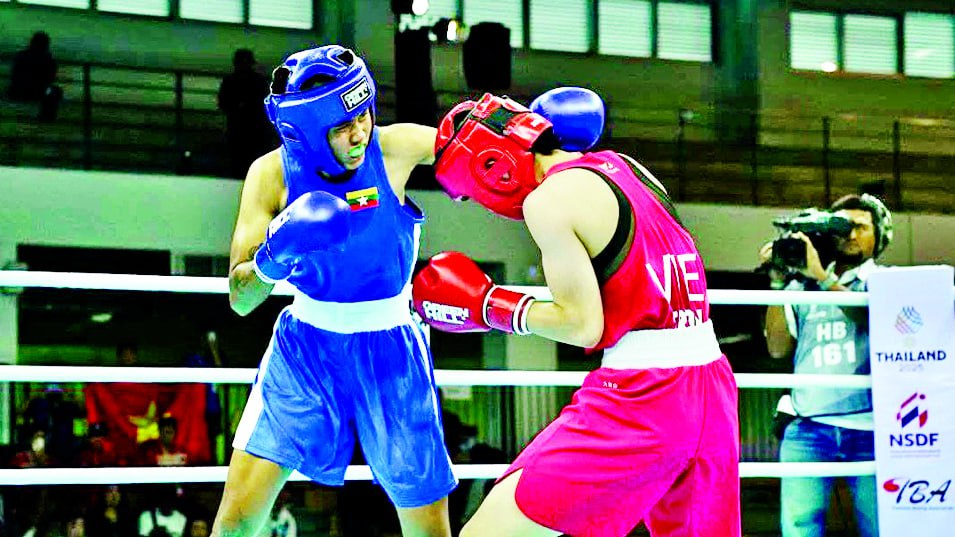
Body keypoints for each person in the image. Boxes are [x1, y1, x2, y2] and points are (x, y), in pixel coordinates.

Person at [412, 87, 741, 537]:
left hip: (643, 397)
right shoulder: (630, 167)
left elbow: (583, 325)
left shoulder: (548, 201)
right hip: (712, 384)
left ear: (492, 168)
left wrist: (491, 306)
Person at [214, 45, 456, 537]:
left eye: (363, 114)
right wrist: (273, 255)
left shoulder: (395, 147)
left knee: (428, 531)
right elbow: (241, 300)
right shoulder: (271, 175)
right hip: (305, 350)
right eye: (342, 126)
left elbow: (481, 152)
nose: (360, 132)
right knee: (236, 523)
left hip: (392, 351)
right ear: (303, 135)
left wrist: (542, 142)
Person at [759, 193, 892, 537]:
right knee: (799, 529)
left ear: (881, 236)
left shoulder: (884, 280)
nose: (850, 234)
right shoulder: (802, 284)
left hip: (871, 426)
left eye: (860, 227)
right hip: (808, 427)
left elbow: (873, 319)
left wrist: (821, 277)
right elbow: (777, 348)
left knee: (880, 527)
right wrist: (778, 281)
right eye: (841, 227)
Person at [217, 48, 274, 179]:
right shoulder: (258, 81)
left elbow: (223, 103)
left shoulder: (230, 81)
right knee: (251, 162)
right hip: (254, 129)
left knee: (239, 161)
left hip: (240, 128)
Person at [7, 31, 63, 122]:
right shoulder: (48, 59)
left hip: (18, 89)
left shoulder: (22, 56)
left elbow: (14, 74)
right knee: (55, 91)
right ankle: (47, 117)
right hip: (38, 92)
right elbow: (50, 78)